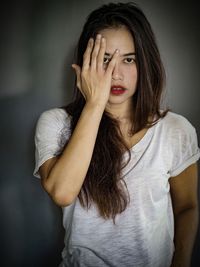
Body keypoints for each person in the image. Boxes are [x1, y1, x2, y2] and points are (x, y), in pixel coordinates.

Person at [33, 2, 200, 267]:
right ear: (85, 65)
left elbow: (187, 207)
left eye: (129, 59)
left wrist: (181, 261)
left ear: (145, 63)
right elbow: (62, 192)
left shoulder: (176, 129)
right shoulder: (55, 122)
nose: (116, 74)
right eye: (105, 60)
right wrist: (95, 103)